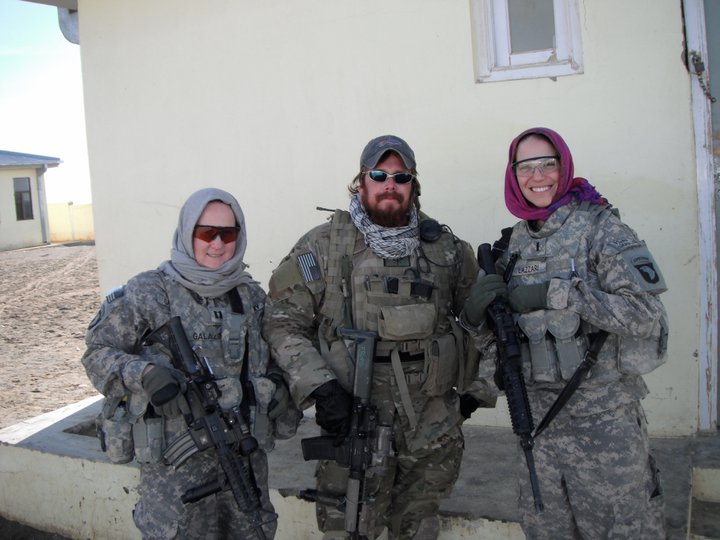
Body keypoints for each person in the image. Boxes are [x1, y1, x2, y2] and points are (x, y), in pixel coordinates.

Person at [262, 135, 494, 540]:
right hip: (355, 418)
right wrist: (321, 388)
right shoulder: (325, 246)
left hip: (432, 426)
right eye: (379, 175)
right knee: (350, 528)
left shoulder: (445, 250)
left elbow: (487, 321)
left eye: (401, 177)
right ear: (361, 181)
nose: (390, 184)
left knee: (419, 528)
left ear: (413, 184)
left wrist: (477, 392)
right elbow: (282, 323)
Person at [463, 127, 669, 539]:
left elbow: (645, 314)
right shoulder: (513, 246)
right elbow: (500, 350)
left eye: (547, 164)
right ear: (513, 174)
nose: (537, 176)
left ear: (564, 166)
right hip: (536, 428)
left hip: (603, 425)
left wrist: (556, 293)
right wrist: (475, 320)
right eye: (526, 167)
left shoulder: (602, 229)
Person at [82, 188, 298, 540]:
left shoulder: (251, 297)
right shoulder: (149, 292)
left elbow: (279, 354)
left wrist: (277, 386)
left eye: (228, 233)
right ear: (186, 233)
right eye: (206, 232)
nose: (218, 243)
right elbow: (97, 354)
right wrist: (145, 374)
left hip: (243, 467)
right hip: (174, 482)